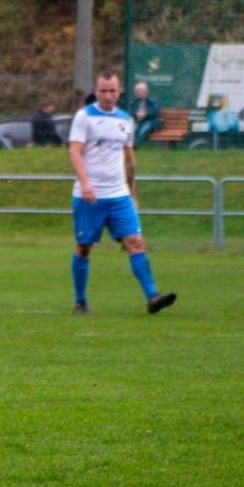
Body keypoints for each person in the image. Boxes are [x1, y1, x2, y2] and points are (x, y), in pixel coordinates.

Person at [68, 70, 177, 316]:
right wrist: (85, 183)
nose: (108, 95)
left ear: (119, 93)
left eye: (112, 91)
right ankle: (80, 302)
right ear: (96, 92)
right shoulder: (84, 117)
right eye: (103, 90)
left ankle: (153, 296)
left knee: (135, 242)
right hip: (90, 196)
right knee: (84, 247)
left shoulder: (126, 120)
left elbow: (129, 160)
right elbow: (75, 152)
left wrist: (133, 193)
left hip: (119, 196)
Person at [130, 81, 161, 146]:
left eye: (138, 91)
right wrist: (136, 114)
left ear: (144, 92)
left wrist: (145, 114)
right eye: (136, 91)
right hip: (138, 121)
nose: (136, 93)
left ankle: (135, 145)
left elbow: (155, 112)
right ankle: (129, 145)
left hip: (150, 121)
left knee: (144, 129)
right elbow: (131, 112)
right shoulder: (134, 102)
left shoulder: (152, 101)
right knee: (131, 128)